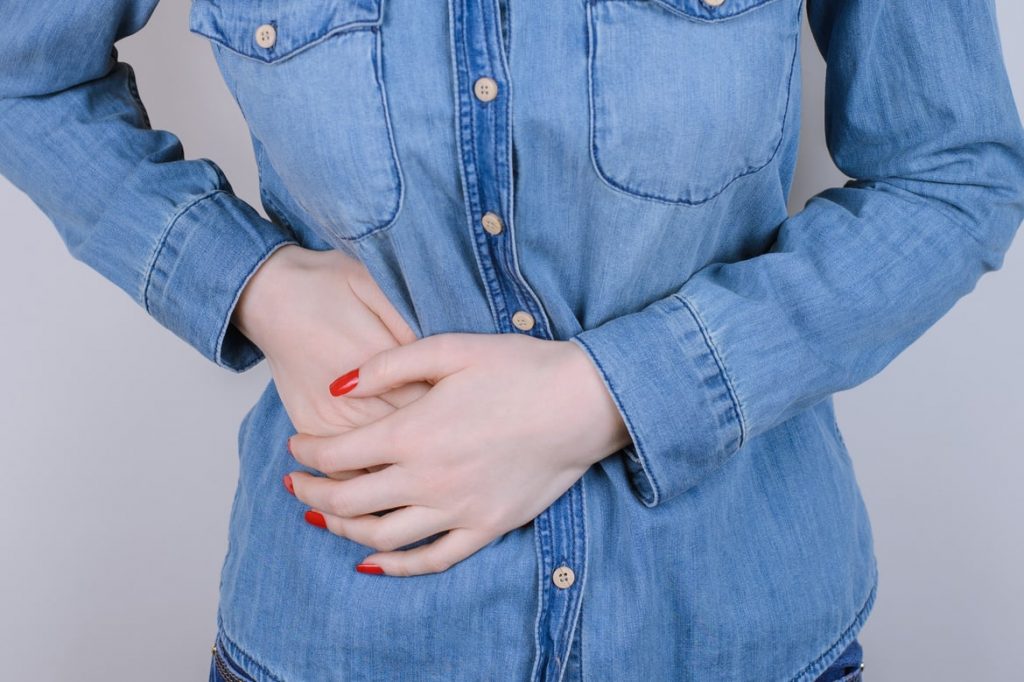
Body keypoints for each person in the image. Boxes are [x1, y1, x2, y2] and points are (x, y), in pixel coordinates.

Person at [2, 0, 1023, 680]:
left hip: (731, 626)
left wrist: (614, 392)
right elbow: (22, 76)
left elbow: (954, 171)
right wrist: (251, 281)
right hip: (340, 635)